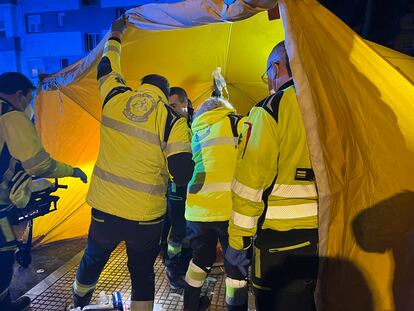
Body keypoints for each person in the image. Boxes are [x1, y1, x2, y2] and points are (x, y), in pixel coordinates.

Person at [71, 16, 194, 311]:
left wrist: (115, 34)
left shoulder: (114, 96)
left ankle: (78, 302)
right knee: (141, 273)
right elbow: (182, 174)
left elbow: (106, 67)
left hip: (105, 212)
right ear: (166, 96)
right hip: (145, 219)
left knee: (93, 259)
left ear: (142, 87)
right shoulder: (172, 120)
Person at [225, 41, 319, 311]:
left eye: (268, 72)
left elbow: (249, 187)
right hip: (326, 235)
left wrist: (237, 244)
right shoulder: (329, 103)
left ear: (277, 67)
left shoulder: (270, 109)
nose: (268, 80)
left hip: (278, 244)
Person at [0, 72, 87, 311]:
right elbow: (40, 164)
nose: (27, 107)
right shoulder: (11, 117)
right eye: (28, 101)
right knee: (4, 254)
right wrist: (72, 171)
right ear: (19, 95)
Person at [183, 97, 245, 311]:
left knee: (200, 260)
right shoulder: (234, 122)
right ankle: (235, 307)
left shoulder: (196, 129)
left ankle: (190, 306)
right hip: (228, 208)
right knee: (235, 264)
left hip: (197, 208)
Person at [161, 86, 193, 289]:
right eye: (168, 106)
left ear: (185, 104)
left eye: (173, 105)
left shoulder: (195, 123)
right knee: (179, 231)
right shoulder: (168, 125)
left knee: (190, 230)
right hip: (175, 187)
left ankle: (184, 266)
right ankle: (173, 271)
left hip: (193, 188)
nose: (170, 110)